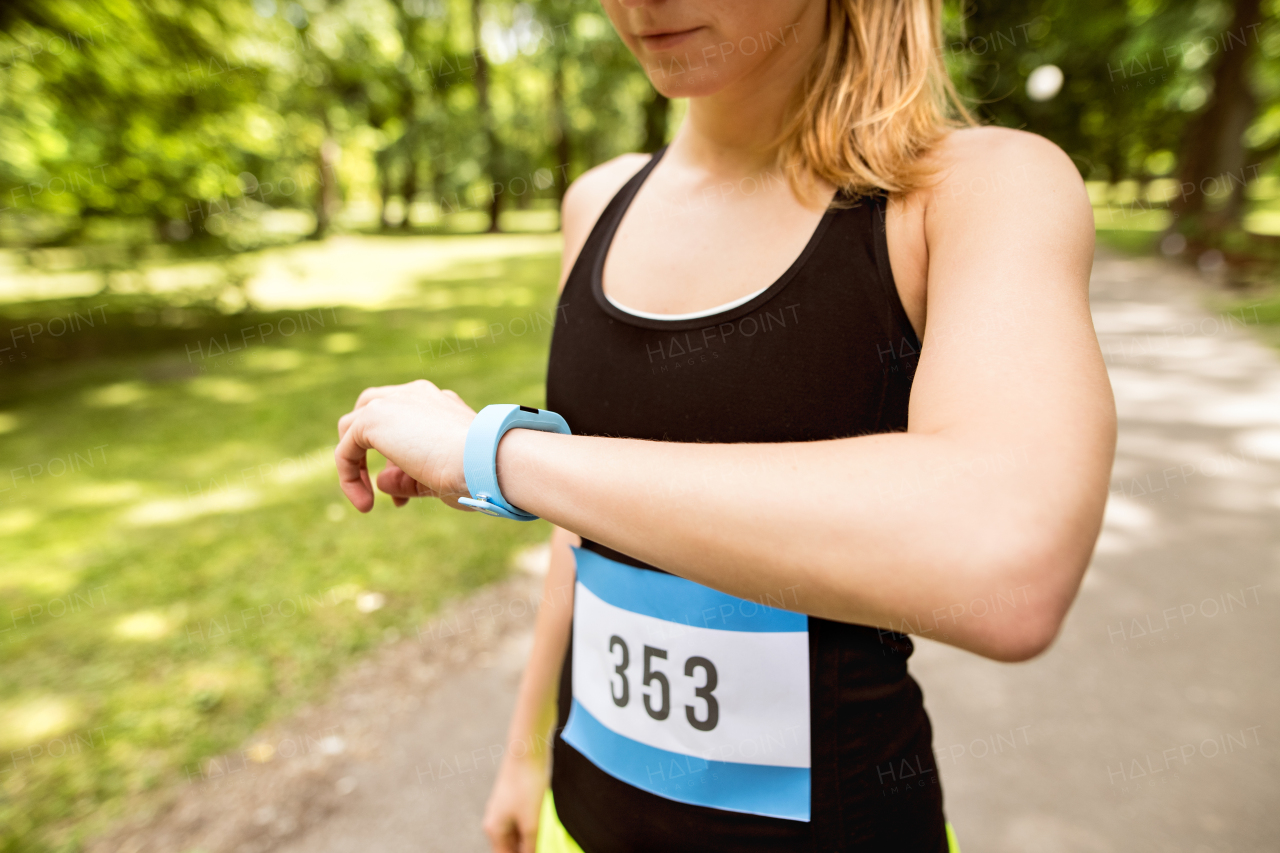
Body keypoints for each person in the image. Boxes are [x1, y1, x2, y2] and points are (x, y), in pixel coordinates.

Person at [334, 0, 1115, 849]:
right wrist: (525, 753)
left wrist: (491, 454)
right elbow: (585, 530)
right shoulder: (596, 202)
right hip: (580, 824)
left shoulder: (974, 188)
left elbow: (1008, 557)